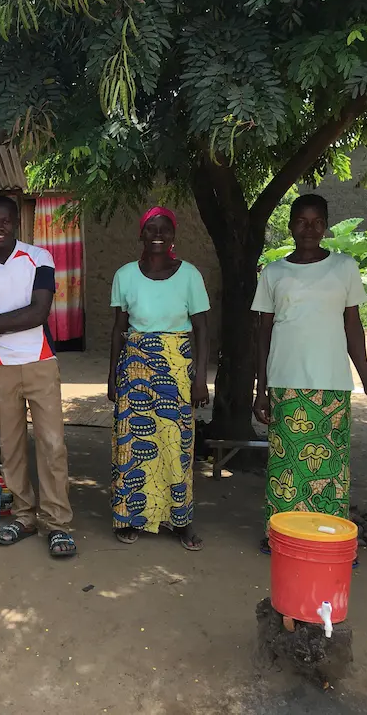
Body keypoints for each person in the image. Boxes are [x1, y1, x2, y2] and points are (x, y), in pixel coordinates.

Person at [253, 194, 367, 552]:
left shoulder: (344, 267)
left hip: (331, 384)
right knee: (286, 467)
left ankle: (328, 545)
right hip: (286, 382)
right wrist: (261, 390)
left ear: (326, 225)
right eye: (301, 221)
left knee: (330, 472)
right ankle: (281, 539)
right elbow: (263, 333)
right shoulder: (274, 272)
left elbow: (353, 328)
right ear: (290, 225)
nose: (309, 229)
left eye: (317, 222)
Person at [0, 196, 77, 558]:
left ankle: (57, 523)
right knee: (11, 446)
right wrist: (17, 318)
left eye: (5, 221)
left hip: (40, 361)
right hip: (2, 367)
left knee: (52, 444)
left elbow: (40, 313)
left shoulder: (39, 258)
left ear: (16, 223)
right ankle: (25, 516)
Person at [107, 206, 210, 551]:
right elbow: (118, 329)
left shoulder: (190, 275)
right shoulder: (124, 276)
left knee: (177, 445)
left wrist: (200, 380)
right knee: (133, 444)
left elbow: (202, 329)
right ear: (141, 234)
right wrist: (112, 376)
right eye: (151, 229)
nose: (157, 235)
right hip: (135, 367)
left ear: (173, 236)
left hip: (177, 367)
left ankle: (179, 520)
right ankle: (130, 517)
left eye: (164, 229)